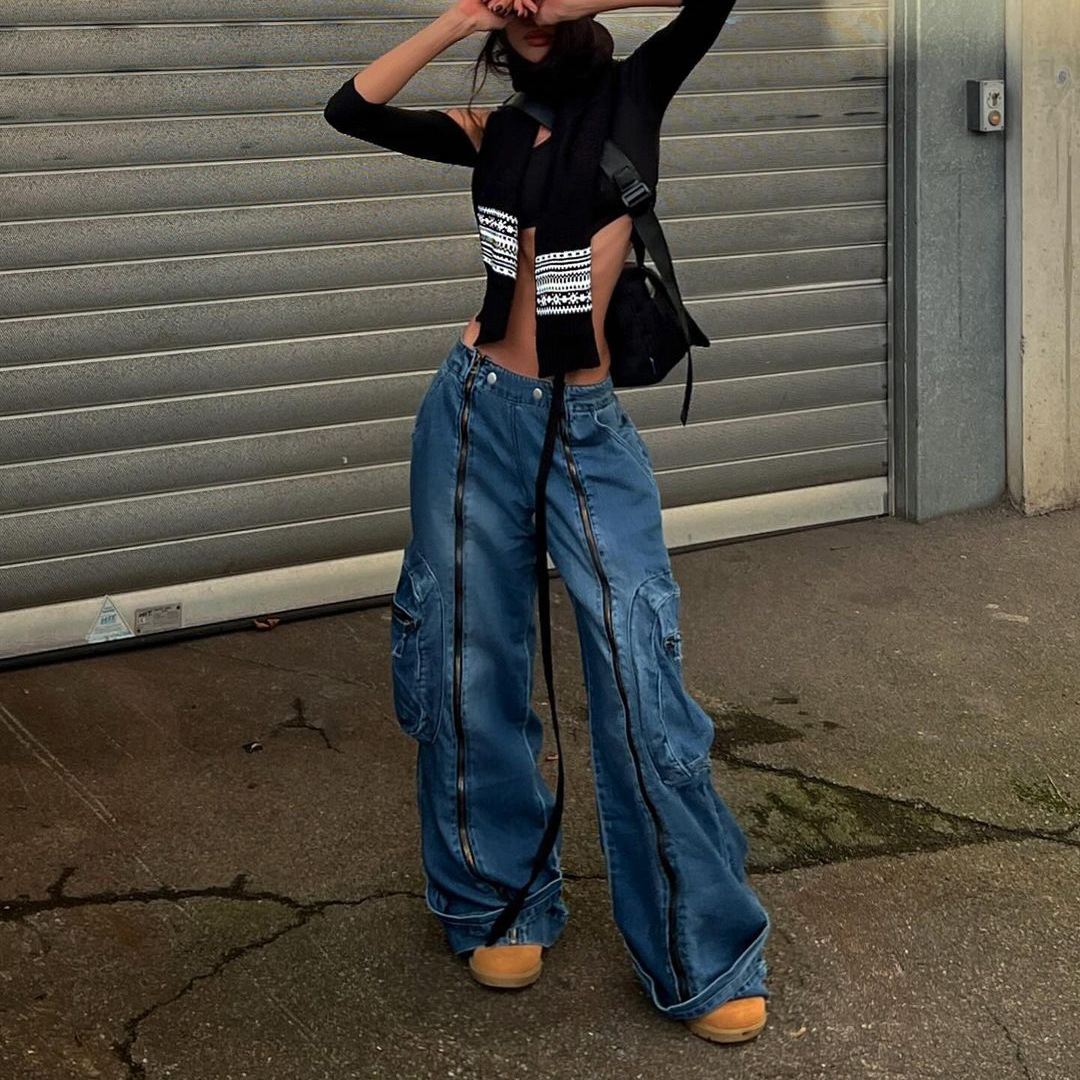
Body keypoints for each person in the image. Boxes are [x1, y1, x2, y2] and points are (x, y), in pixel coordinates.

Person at [323, 0, 771, 1045]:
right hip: (473, 413)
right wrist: (458, 18)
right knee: (466, 659)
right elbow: (352, 108)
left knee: (638, 670)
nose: (527, 12)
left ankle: (701, 949)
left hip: (587, 431)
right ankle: (498, 901)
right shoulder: (492, 129)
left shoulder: (636, 94)